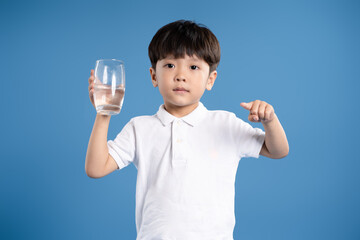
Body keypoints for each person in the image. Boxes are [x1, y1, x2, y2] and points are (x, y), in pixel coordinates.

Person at [85, 20, 289, 240]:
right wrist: (103, 112)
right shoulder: (139, 128)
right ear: (154, 76)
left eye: (193, 67)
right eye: (170, 65)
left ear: (210, 79)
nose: (181, 75)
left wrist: (270, 121)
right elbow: (96, 168)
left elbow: (277, 150)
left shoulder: (225, 123)